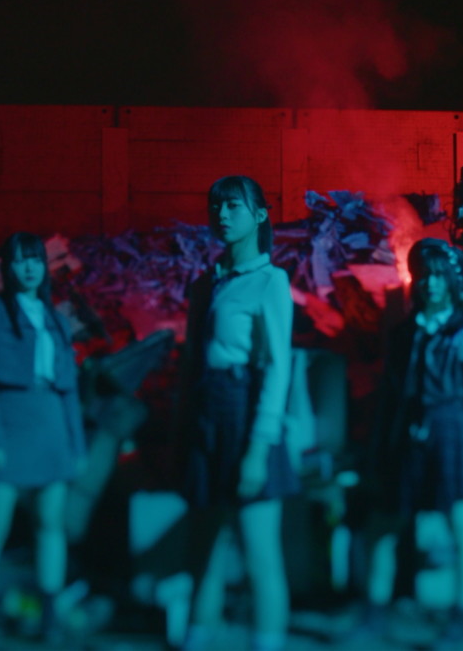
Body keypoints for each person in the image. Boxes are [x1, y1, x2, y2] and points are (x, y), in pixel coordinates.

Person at [179, 175, 297, 651]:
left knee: (259, 552)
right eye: (215, 206)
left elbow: (278, 369)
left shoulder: (270, 282)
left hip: (244, 414)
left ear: (260, 215)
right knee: (203, 547)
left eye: (233, 206)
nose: (221, 215)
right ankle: (197, 636)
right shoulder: (207, 283)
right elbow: (192, 361)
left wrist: (258, 448)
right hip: (207, 414)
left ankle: (267, 643)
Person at [362, 238, 463, 644]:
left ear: (452, 279)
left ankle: (460, 616)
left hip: (453, 433)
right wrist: (379, 451)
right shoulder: (404, 333)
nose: (431, 284)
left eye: (438, 275)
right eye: (424, 276)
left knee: (462, 525)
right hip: (409, 432)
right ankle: (373, 613)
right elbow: (390, 396)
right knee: (386, 524)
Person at [0, 233, 87, 648]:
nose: (28, 268)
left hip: (51, 425)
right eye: (18, 261)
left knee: (51, 524)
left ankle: (50, 615)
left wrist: (77, 444)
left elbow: (69, 390)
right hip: (11, 424)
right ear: (7, 268)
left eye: (35, 260)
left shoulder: (56, 319)